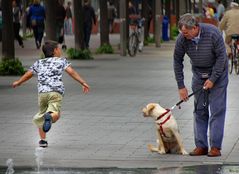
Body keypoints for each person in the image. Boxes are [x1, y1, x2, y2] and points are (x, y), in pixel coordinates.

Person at [12, 40, 90, 148]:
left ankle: (43, 140)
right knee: (55, 114)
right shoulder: (61, 61)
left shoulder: (39, 63)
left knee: (41, 115)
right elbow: (71, 72)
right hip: (55, 92)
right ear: (55, 51)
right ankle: (50, 116)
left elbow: (28, 75)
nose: (60, 51)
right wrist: (83, 82)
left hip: (42, 93)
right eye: (59, 49)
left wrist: (18, 82)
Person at [173, 13, 228, 157]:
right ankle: (201, 146)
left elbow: (222, 57)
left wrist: (213, 79)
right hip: (199, 75)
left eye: (186, 32)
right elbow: (177, 61)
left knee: (217, 109)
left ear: (195, 28)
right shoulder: (182, 39)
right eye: (182, 33)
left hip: (218, 74)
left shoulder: (213, 33)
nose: (184, 36)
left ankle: (215, 147)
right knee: (199, 110)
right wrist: (181, 86)